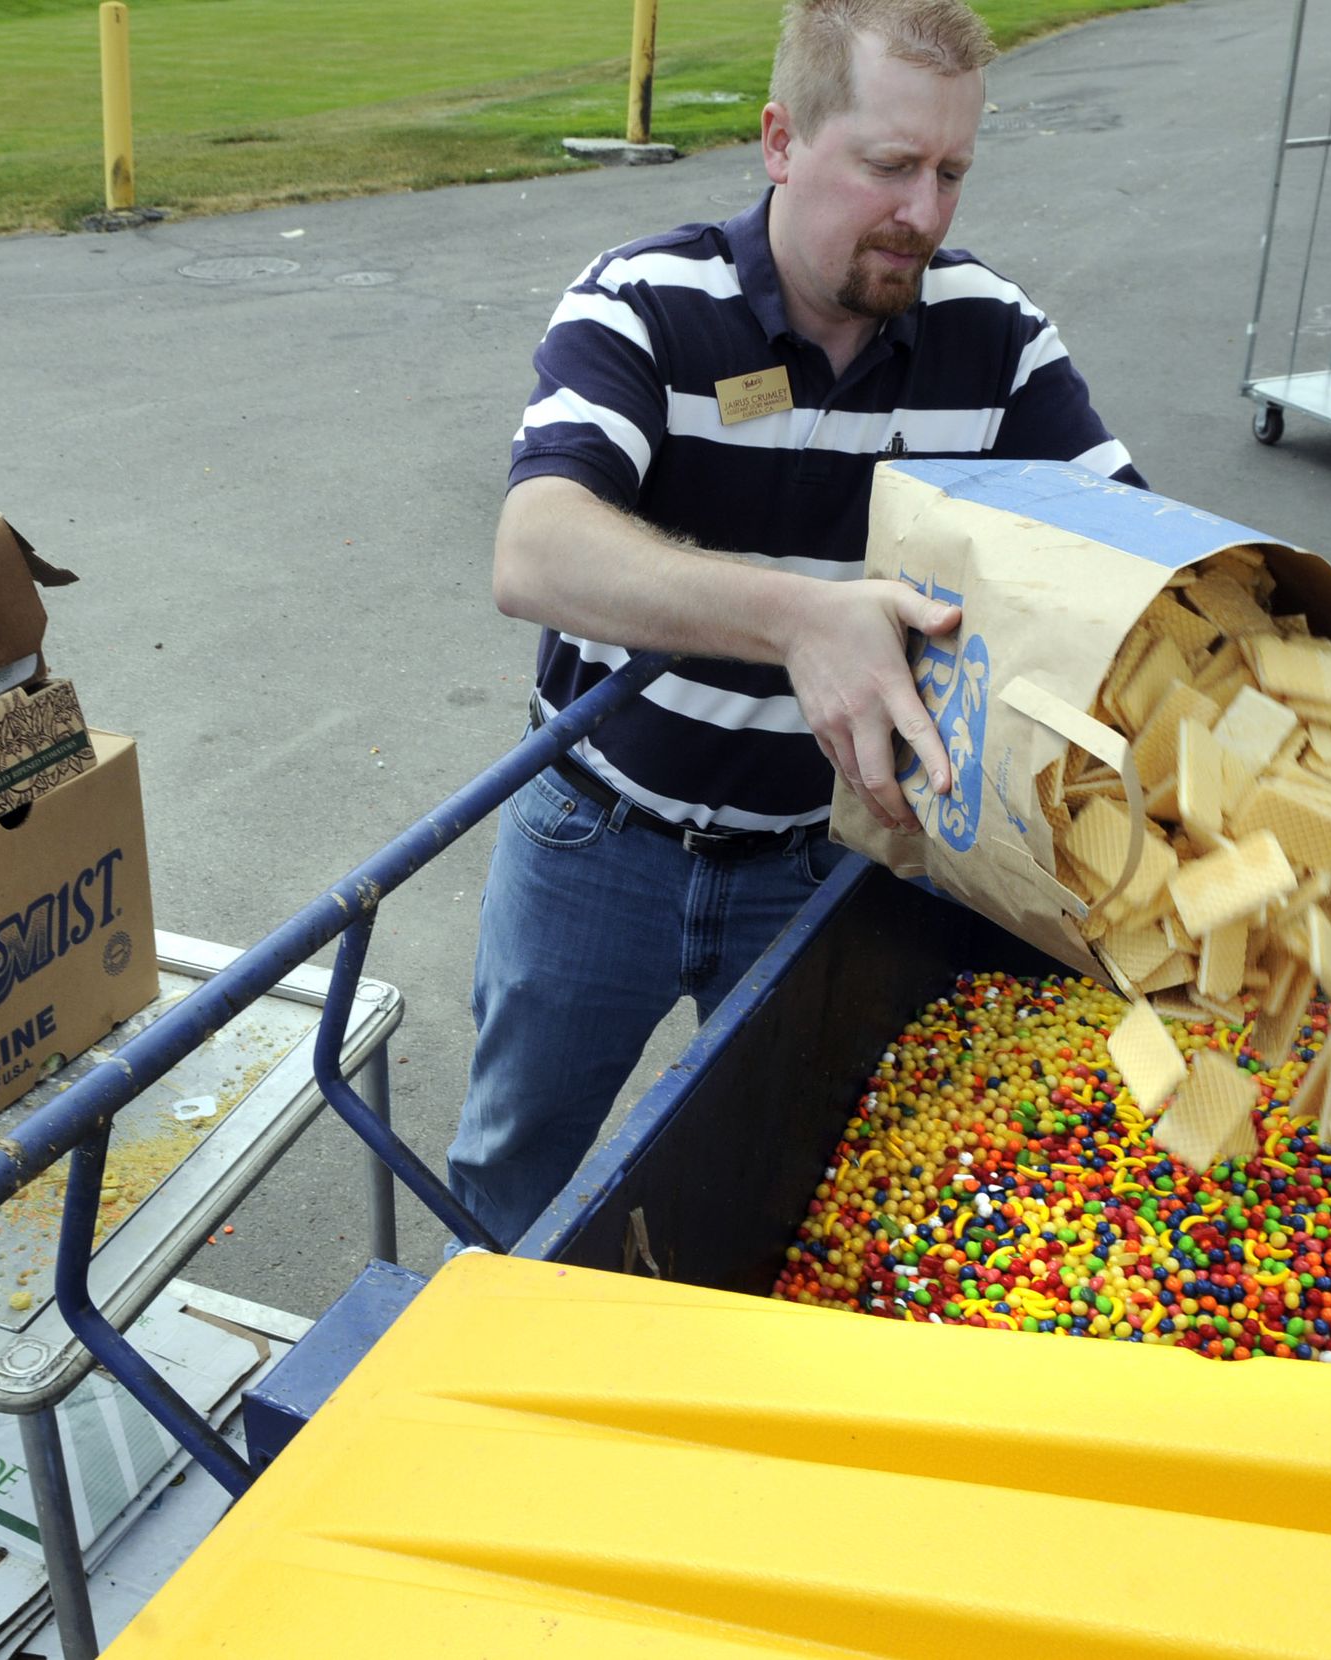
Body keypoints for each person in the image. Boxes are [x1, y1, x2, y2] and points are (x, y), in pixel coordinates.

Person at [445, 0, 1144, 1247]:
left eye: (949, 173)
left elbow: (1129, 551)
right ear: (778, 141)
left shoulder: (993, 336)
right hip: (600, 835)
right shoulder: (645, 303)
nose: (923, 215)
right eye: (887, 166)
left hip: (831, 860)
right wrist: (800, 620)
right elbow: (535, 547)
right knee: (515, 1170)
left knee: (793, 1179)